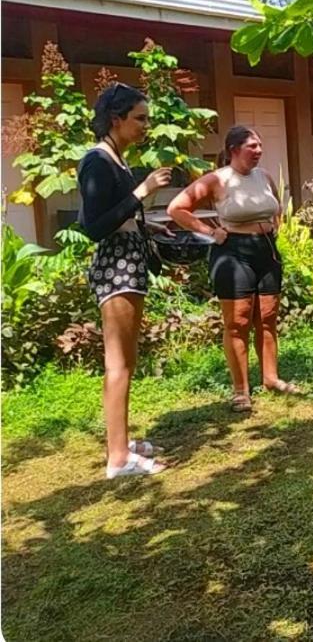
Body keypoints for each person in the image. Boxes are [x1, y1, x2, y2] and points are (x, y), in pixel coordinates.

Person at [78, 82, 173, 478]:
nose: (146, 126)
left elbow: (118, 217)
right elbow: (94, 227)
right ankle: (118, 460)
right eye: (140, 118)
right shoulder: (97, 161)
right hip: (115, 268)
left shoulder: (117, 159)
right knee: (118, 364)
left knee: (126, 362)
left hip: (129, 264)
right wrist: (143, 191)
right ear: (116, 119)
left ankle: (121, 441)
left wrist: (148, 226)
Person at [167, 126, 298, 412]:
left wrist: (273, 227)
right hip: (233, 253)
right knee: (237, 323)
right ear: (233, 149)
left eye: (260, 145)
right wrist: (209, 231)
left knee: (267, 317)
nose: (259, 151)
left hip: (266, 250)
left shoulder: (263, 177)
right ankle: (241, 391)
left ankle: (271, 378)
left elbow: (274, 207)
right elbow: (177, 208)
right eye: (252, 146)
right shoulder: (217, 179)